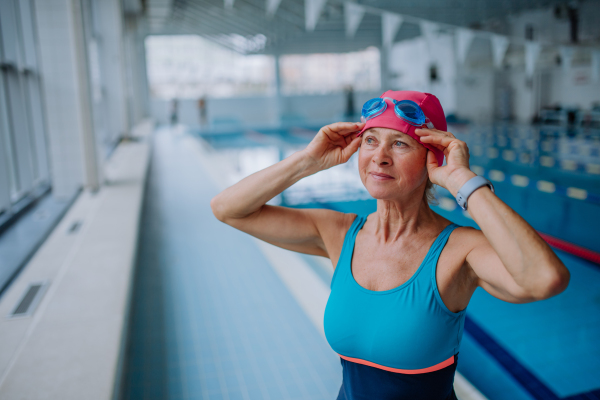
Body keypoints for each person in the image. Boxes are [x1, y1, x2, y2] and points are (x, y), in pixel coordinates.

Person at [210, 90, 570, 400]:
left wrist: (463, 180)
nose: (379, 157)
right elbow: (227, 209)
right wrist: (306, 162)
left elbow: (543, 278)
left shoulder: (460, 251)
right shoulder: (338, 233)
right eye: (370, 141)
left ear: (433, 157)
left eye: (399, 144)